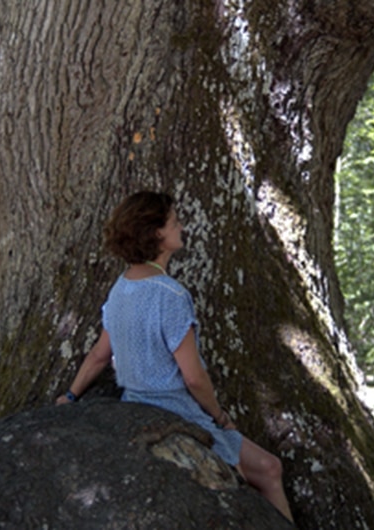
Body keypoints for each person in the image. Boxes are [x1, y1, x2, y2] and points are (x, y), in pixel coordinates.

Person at [56, 191, 294, 523]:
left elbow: (99, 355)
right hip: (178, 411)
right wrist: (220, 416)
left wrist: (70, 396)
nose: (182, 227)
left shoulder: (120, 288)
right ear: (157, 234)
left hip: (135, 407)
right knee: (259, 477)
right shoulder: (170, 295)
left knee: (265, 470)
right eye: (174, 222)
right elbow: (194, 378)